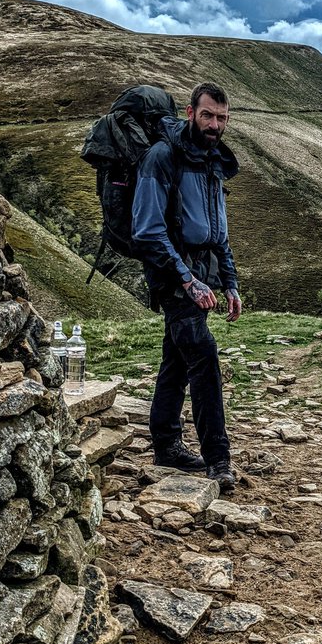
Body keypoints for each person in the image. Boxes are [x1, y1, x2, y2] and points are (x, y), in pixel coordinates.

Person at [131, 81, 242, 492]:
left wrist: (229, 282)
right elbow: (147, 229)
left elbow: (218, 232)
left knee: (176, 360)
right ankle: (218, 459)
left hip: (200, 275)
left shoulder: (212, 159)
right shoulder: (163, 156)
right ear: (190, 112)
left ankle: (166, 446)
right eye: (208, 115)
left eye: (222, 118)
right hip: (173, 276)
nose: (215, 125)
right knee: (203, 356)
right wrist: (187, 279)